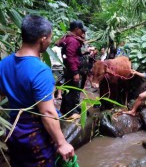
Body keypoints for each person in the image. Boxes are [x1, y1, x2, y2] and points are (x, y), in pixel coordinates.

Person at [0, 15, 74, 166]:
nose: (49, 42)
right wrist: (61, 143)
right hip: (35, 136)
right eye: (49, 38)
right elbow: (47, 112)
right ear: (42, 38)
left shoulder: (3, 64)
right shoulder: (40, 71)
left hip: (13, 131)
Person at [56, 20, 87, 119]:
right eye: (81, 31)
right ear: (76, 29)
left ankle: (64, 111)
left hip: (68, 69)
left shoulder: (67, 38)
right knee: (72, 91)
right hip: (71, 70)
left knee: (69, 90)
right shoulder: (73, 41)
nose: (83, 33)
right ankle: (69, 113)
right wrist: (75, 73)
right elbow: (70, 57)